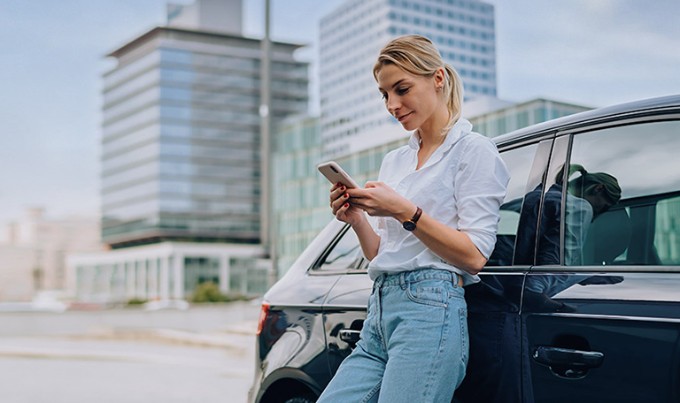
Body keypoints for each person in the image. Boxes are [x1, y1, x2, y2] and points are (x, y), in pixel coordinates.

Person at [317, 35, 510, 403]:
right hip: (379, 311)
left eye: (401, 89)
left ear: (437, 78)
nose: (392, 104)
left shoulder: (473, 151)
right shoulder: (395, 161)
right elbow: (382, 254)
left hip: (430, 311)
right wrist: (357, 218)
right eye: (384, 94)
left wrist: (403, 210)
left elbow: (474, 256)